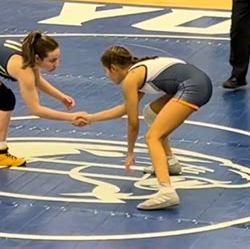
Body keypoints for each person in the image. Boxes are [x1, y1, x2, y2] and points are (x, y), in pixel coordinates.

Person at [78, 46, 212, 210]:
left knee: (151, 137)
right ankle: (169, 161)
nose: (106, 75)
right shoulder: (138, 70)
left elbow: (133, 124)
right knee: (150, 112)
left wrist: (130, 152)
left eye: (105, 71)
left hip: (193, 87)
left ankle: (166, 191)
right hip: (198, 83)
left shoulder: (130, 79)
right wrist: (91, 118)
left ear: (113, 68)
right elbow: (125, 108)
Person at [0, 31, 87, 167]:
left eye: (57, 59)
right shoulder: (23, 67)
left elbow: (36, 81)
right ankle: (0, 153)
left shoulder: (30, 52)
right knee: (6, 100)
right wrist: (71, 117)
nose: (57, 65)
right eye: (52, 60)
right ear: (38, 58)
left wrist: (60, 97)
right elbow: (35, 110)